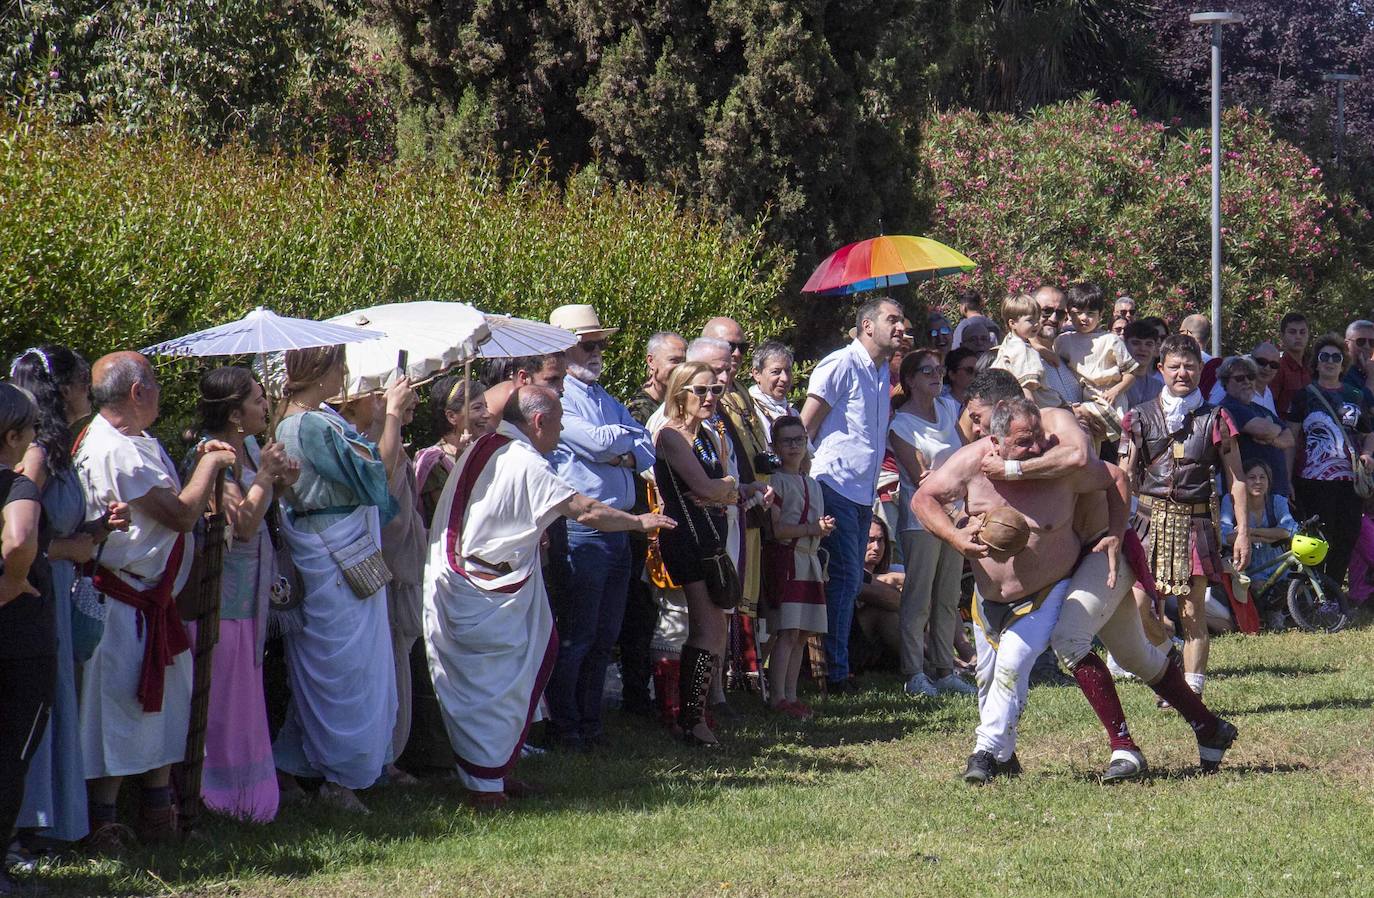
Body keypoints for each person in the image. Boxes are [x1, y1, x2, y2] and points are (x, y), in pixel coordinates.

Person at [424, 386, 673, 803]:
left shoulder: (489, 443)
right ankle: (485, 787)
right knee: (491, 688)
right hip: (483, 590)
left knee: (512, 681)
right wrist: (638, 521)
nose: (561, 433)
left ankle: (497, 773)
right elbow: (585, 510)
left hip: (481, 581)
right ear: (539, 422)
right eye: (558, 423)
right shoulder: (522, 459)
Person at [911, 398, 1121, 782]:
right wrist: (956, 537)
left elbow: (1115, 477)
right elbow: (923, 499)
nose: (1037, 447)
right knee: (989, 680)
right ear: (995, 440)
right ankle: (1005, 758)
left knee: (1012, 664)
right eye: (1024, 442)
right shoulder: (973, 462)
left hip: (1046, 590)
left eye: (1038, 437)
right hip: (988, 598)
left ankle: (982, 754)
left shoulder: (1058, 466)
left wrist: (1117, 536)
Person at [75, 352, 236, 849]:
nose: (162, 393)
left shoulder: (134, 439)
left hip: (153, 600)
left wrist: (200, 461)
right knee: (117, 713)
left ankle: (158, 813)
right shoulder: (112, 449)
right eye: (157, 385)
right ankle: (105, 823)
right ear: (137, 392)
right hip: (123, 601)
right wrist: (210, 462)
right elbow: (181, 515)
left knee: (163, 711)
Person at [272, 345, 409, 814]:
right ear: (323, 369)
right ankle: (339, 778)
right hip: (331, 552)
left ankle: (297, 767)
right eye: (341, 366)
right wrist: (391, 414)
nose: (346, 375)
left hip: (334, 545)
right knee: (344, 670)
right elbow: (378, 476)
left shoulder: (307, 418)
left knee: (338, 666)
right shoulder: (308, 424)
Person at [185, 368, 298, 821]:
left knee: (245, 699)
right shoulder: (214, 456)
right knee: (225, 702)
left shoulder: (247, 447)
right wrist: (267, 477)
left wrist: (279, 477)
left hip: (246, 595)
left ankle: (250, 796)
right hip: (220, 600)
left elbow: (263, 499)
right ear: (234, 414)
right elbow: (243, 524)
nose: (265, 405)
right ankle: (222, 797)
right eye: (256, 399)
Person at [10, 347, 110, 850]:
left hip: (57, 589)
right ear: (61, 389)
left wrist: (94, 529)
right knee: (37, 705)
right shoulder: (37, 454)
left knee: (57, 701)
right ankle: (27, 825)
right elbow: (15, 525)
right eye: (80, 381)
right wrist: (61, 547)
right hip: (33, 589)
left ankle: (45, 820)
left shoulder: (58, 448)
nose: (87, 391)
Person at [545, 304, 654, 751]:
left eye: (599, 344)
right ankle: (566, 726)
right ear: (565, 349)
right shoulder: (556, 399)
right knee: (578, 635)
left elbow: (645, 445)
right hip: (584, 530)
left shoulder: (604, 398)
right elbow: (595, 443)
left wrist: (618, 446)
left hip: (617, 532)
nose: (596, 352)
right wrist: (621, 443)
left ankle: (590, 724)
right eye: (588, 345)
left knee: (605, 634)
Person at [1121, 335, 1250, 696]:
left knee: (1192, 614)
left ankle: (1191, 693)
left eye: (1190, 366)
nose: (1182, 373)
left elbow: (1237, 479)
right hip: (1147, 522)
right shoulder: (1138, 417)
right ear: (1161, 369)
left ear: (1200, 370)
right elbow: (1123, 477)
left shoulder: (1218, 418)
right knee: (1139, 609)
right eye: (1175, 366)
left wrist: (1242, 531)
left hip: (1195, 523)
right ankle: (1171, 661)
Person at [800, 296, 907, 691]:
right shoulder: (841, 364)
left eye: (901, 321)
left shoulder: (881, 371)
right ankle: (834, 672)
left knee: (849, 580)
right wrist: (804, 483)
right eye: (892, 320)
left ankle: (839, 665)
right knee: (844, 579)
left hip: (864, 492)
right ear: (867, 326)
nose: (900, 327)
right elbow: (805, 425)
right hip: (835, 485)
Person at [336, 377, 427, 786]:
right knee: (387, 667)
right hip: (383, 570)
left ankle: (389, 755)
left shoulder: (390, 441)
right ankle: (384, 758)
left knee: (397, 664)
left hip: (398, 567)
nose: (407, 398)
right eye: (380, 394)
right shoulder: (368, 443)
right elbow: (385, 506)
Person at [652, 363, 743, 745]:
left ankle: (697, 713)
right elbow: (707, 487)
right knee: (707, 626)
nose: (709, 398)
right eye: (700, 390)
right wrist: (723, 487)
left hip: (711, 535)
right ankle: (692, 720)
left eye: (715, 391)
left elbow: (724, 490)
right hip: (688, 538)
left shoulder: (706, 433)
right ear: (679, 393)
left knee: (716, 625)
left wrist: (723, 488)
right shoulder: (671, 436)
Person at [887, 350, 973, 698]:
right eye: (927, 371)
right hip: (921, 520)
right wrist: (954, 483)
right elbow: (921, 477)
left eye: (939, 370)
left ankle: (943, 668)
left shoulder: (951, 409)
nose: (937, 376)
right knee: (918, 598)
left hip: (957, 517)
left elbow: (969, 454)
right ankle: (914, 672)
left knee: (949, 597)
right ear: (909, 380)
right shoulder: (900, 425)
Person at [0, 384, 54, 895]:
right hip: (20, 645)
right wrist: (12, 581)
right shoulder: (16, 488)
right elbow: (19, 537)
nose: (36, 437)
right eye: (31, 429)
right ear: (12, 435)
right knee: (10, 757)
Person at [620, 331, 686, 718]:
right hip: (641, 526)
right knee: (641, 615)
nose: (679, 367)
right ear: (652, 363)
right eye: (674, 360)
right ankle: (636, 694)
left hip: (668, 524)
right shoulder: (638, 408)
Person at [1286, 334, 1374, 587]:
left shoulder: (1356, 395)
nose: (1330, 362)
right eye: (1324, 356)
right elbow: (1291, 438)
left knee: (1347, 535)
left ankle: (1333, 593)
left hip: (1349, 480)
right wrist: (1287, 478)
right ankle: (1312, 593)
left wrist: (1368, 454)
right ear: (1316, 361)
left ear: (1342, 362)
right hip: (1312, 480)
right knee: (1317, 538)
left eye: (1336, 357)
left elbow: (1369, 434)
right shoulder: (1304, 396)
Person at [761, 416, 832, 719]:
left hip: (809, 559)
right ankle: (778, 696)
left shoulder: (812, 484)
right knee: (787, 631)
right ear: (775, 447)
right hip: (788, 559)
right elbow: (775, 530)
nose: (794, 447)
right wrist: (812, 528)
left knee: (803, 632)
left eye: (798, 440)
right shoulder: (775, 482)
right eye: (786, 441)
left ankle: (791, 694)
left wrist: (819, 530)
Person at [1054, 282, 1141, 443]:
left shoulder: (1111, 340)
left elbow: (1131, 374)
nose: (1083, 318)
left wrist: (1115, 391)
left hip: (1109, 403)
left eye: (1090, 313)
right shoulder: (1063, 341)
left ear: (1101, 315)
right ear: (1068, 314)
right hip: (1082, 400)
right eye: (1078, 312)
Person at [1220, 460, 1299, 630]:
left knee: (1291, 584)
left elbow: (1289, 530)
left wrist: (1247, 532)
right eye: (1252, 477)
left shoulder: (1277, 501)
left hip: (1275, 564)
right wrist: (1268, 536)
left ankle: (1276, 612)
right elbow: (1223, 535)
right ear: (1243, 482)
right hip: (1246, 565)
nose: (1258, 482)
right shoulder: (1230, 501)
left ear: (1269, 482)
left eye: (1262, 477)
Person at [415, 375, 491, 524]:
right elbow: (451, 516)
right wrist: (462, 463)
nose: (487, 414)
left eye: (486, 406)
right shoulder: (433, 462)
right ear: (451, 416)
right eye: (477, 407)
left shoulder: (483, 450)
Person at [992, 289, 1082, 412]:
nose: (1054, 318)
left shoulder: (1068, 353)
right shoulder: (1015, 352)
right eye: (1046, 311)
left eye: (1060, 313)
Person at [1216, 356, 1293, 498]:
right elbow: (1264, 430)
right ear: (1226, 382)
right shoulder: (1228, 408)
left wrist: (1271, 439)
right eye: (1239, 378)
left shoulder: (1260, 409)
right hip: (1249, 495)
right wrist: (1273, 430)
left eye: (1251, 377)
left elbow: (1289, 438)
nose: (1247, 382)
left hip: (1275, 492)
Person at [482, 353, 567, 428]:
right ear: (524, 377)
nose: (561, 388)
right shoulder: (485, 421)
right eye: (552, 380)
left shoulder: (522, 406)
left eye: (563, 378)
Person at [627, 331, 687, 425]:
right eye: (674, 360)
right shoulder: (639, 411)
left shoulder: (682, 402)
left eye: (684, 361)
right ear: (651, 361)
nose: (681, 368)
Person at [749, 341, 799, 428]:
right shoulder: (750, 412)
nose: (785, 378)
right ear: (757, 374)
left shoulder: (794, 414)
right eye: (776, 372)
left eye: (788, 371)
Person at [1272, 311, 1311, 419]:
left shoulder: (1314, 366)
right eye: (1292, 332)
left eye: (1302, 332)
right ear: (1282, 336)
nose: (1298, 337)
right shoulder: (1276, 368)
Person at [1121, 320, 1164, 408]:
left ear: (1155, 348)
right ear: (1124, 344)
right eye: (1136, 343)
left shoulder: (1159, 387)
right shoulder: (1114, 381)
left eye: (1149, 344)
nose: (1143, 348)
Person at [1342, 320, 1374, 404]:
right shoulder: (1339, 372)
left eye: (1372, 342)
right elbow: (1359, 404)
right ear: (1346, 344)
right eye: (1361, 341)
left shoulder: (1369, 370)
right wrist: (1371, 378)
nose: (1367, 346)